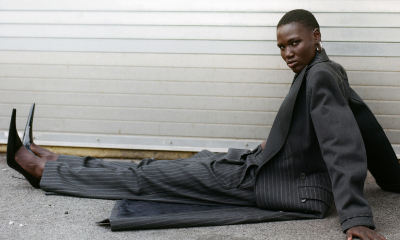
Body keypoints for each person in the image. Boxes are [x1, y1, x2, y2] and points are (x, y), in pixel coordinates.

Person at [6, 9, 400, 240]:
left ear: (315, 36)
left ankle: (43, 170)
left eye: (293, 43)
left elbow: (342, 144)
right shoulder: (325, 69)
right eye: (281, 46)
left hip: (270, 184)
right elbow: (364, 122)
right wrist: (393, 178)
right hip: (260, 166)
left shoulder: (321, 76)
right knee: (174, 164)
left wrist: (357, 218)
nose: (286, 53)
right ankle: (58, 160)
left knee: (150, 175)